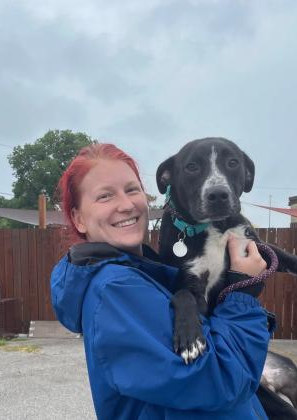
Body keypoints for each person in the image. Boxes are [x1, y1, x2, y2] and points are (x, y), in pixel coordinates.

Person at [51, 143, 272, 420]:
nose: (126, 204)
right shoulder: (116, 290)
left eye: (132, 190)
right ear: (78, 218)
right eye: (105, 196)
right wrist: (243, 294)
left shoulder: (144, 274)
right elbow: (220, 382)